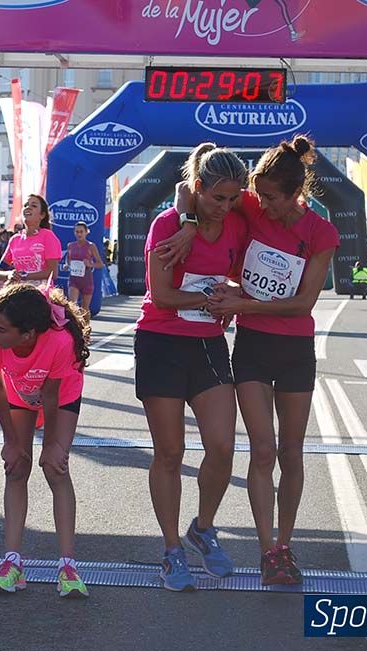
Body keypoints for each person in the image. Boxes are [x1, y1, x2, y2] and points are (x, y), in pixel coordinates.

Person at [160, 135, 339, 586]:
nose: (263, 205)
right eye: (257, 194)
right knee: (262, 450)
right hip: (254, 347)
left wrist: (243, 304)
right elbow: (190, 189)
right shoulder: (251, 206)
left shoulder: (321, 232)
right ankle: (267, 552)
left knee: (291, 452)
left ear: (296, 194)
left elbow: (303, 304)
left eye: (272, 198)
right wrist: (185, 223)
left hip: (295, 348)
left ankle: (285, 544)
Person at [136, 143, 248, 592]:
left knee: (222, 446)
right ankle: (171, 549)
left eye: (232, 199)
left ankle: (202, 527)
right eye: (217, 198)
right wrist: (209, 298)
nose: (225, 207)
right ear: (198, 189)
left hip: (208, 346)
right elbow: (161, 295)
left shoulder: (235, 224)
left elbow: (242, 275)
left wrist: (234, 297)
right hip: (162, 341)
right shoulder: (168, 223)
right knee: (170, 453)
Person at [0, 283, 91, 599]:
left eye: (1, 329)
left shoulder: (58, 342)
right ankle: (12, 563)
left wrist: (52, 444)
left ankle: (68, 567)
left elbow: (51, 395)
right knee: (15, 468)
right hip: (19, 394)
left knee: (56, 468)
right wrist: (11, 442)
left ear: (27, 334)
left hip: (62, 394)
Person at [0, 194, 62, 287]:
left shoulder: (48, 236)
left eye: (33, 206)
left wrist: (25, 276)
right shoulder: (15, 239)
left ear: (42, 215)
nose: (28, 208)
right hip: (18, 293)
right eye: (26, 205)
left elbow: (53, 273)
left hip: (41, 295)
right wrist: (9, 274)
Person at [64, 222, 105, 310]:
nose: (79, 234)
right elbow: (68, 259)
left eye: (81, 232)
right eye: (77, 232)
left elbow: (100, 264)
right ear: (74, 232)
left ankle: (86, 323)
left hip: (86, 280)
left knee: (85, 309)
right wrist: (67, 265)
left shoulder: (91, 246)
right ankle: (74, 324)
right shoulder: (70, 246)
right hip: (73, 279)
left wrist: (90, 264)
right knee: (72, 305)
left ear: (86, 232)